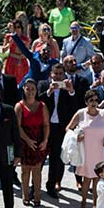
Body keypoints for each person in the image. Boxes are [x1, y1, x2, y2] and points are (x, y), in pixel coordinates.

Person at [39, 63, 82, 200]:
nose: (58, 76)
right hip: (46, 126)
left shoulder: (67, 87)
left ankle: (51, 186)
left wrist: (71, 91)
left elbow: (75, 107)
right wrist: (49, 92)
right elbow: (37, 101)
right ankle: (35, 185)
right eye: (55, 74)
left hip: (60, 128)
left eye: (60, 74)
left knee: (56, 158)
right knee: (40, 157)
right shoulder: (43, 84)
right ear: (51, 74)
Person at [68, 90, 104, 208]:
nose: (94, 103)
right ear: (86, 102)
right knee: (86, 180)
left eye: (96, 100)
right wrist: (76, 136)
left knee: (97, 179)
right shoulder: (81, 113)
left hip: (99, 151)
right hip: (85, 151)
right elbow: (68, 128)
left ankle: (95, 204)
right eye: (91, 100)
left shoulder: (103, 114)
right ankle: (83, 204)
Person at [15, 79, 49, 207]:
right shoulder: (19, 106)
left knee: (37, 170)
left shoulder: (42, 106)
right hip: (25, 141)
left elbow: (46, 125)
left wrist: (45, 140)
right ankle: (25, 195)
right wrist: (27, 140)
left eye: (32, 89)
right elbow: (17, 127)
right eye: (27, 89)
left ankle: (37, 196)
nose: (30, 92)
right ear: (23, 89)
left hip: (39, 140)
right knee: (25, 170)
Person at [3, 18, 32, 84]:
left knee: (23, 81)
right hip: (11, 61)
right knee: (10, 81)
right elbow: (3, 50)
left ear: (21, 28)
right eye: (15, 27)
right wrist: (9, 44)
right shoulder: (8, 36)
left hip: (22, 62)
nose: (17, 29)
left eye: (18, 27)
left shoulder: (25, 39)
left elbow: (27, 53)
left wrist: (23, 51)